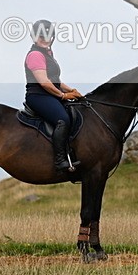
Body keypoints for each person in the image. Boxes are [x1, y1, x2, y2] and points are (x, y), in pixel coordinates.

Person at [24, 19, 83, 172]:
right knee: (62, 120)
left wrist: (73, 91)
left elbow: (56, 81)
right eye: (41, 36)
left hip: (50, 95)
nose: (45, 39)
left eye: (48, 36)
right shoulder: (35, 55)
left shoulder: (48, 54)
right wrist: (63, 96)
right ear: (34, 37)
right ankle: (60, 160)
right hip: (38, 96)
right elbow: (44, 82)